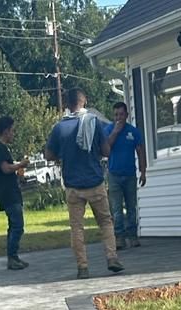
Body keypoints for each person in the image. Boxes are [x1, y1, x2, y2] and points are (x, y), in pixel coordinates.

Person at [46, 86, 123, 279]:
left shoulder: (59, 128)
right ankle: (112, 258)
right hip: (95, 182)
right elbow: (106, 151)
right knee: (105, 222)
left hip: (73, 186)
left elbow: (49, 154)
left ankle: (83, 267)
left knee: (77, 227)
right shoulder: (93, 123)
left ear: (67, 104)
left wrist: (63, 154)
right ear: (84, 101)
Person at [104, 100, 146, 250]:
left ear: (127, 115)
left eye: (121, 114)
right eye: (116, 115)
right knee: (116, 208)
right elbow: (106, 147)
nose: (118, 118)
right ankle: (119, 237)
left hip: (130, 175)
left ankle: (133, 235)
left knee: (131, 207)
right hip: (114, 174)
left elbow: (140, 151)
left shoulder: (133, 131)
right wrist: (115, 131)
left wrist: (143, 171)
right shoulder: (108, 130)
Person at [0, 115, 27, 270]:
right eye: (12, 131)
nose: (13, 134)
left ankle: (13, 257)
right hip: (8, 193)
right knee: (18, 225)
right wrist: (20, 164)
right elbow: (5, 169)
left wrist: (19, 174)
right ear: (6, 131)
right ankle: (12, 257)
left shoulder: (3, 148)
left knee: (13, 225)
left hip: (11, 190)